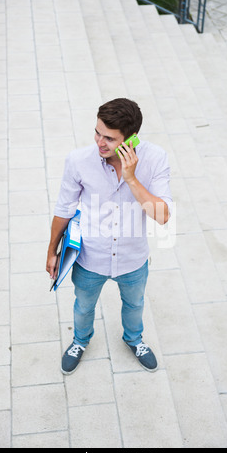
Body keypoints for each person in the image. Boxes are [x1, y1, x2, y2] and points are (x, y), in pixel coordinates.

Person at [46, 98, 172, 375]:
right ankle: (80, 341)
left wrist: (131, 178)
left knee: (135, 304)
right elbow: (64, 208)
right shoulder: (78, 160)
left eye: (109, 138)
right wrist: (52, 251)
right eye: (97, 133)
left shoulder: (155, 159)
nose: (100, 143)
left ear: (132, 140)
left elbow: (162, 216)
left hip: (133, 258)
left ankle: (134, 339)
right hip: (90, 257)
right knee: (83, 305)